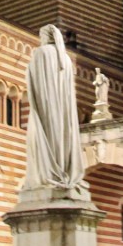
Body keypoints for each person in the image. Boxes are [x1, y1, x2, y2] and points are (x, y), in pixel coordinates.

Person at [23, 24, 86, 191]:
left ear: (46, 37)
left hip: (46, 109)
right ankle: (63, 170)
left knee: (41, 138)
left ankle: (48, 173)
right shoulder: (64, 58)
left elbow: (33, 81)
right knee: (62, 140)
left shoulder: (41, 53)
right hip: (63, 114)